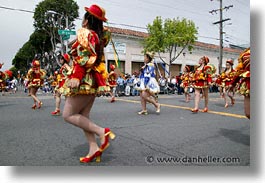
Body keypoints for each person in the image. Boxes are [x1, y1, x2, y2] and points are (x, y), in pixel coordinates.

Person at [61, 4, 115, 163]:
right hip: (91, 80)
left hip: (84, 79)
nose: (81, 20)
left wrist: (76, 76)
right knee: (84, 116)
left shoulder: (86, 34)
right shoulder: (96, 35)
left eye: (83, 17)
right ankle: (94, 148)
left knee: (68, 115)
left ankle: (101, 132)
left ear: (86, 21)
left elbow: (84, 59)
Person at [232, 48, 250, 119]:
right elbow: (240, 70)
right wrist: (232, 83)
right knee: (248, 113)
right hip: (248, 84)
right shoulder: (246, 53)